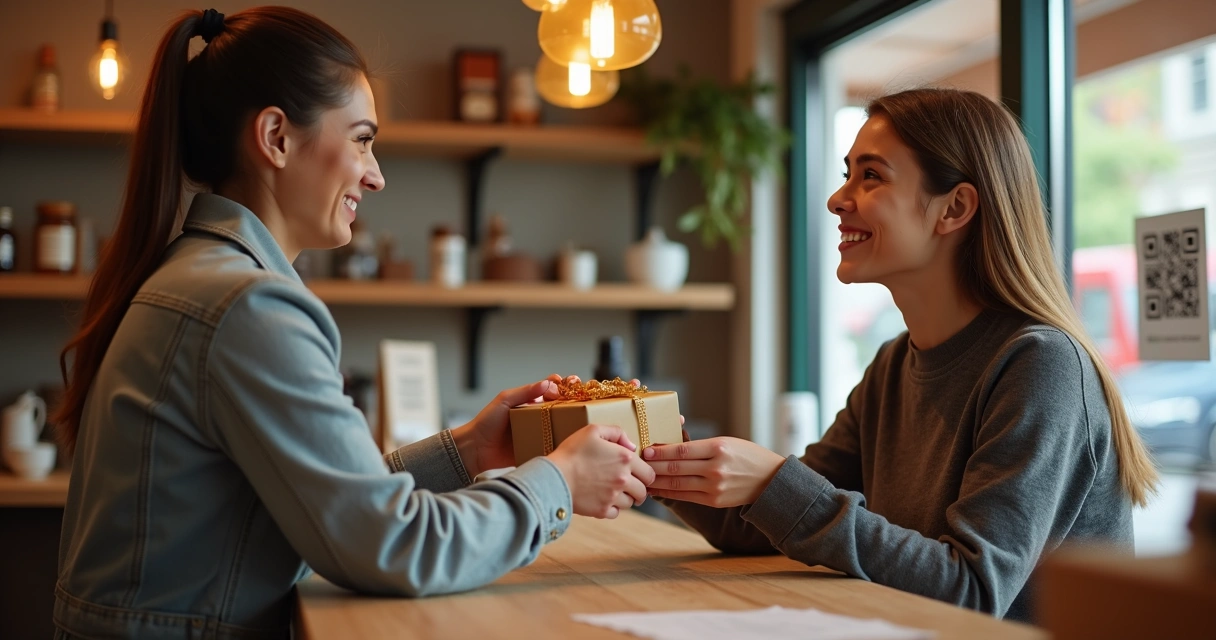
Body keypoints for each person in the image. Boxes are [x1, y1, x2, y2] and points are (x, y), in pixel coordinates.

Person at [51, 7, 654, 639]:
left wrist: (472, 449)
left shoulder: (201, 276)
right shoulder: (247, 305)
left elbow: (328, 506)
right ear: (277, 138)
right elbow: (392, 546)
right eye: (362, 139)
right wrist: (558, 481)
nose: (377, 174)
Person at [643, 88, 1159, 622]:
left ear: (954, 208)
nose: (837, 199)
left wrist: (774, 482)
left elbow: (972, 591)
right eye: (848, 173)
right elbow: (756, 526)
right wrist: (647, 449)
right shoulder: (893, 365)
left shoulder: (1040, 366)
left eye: (871, 176)